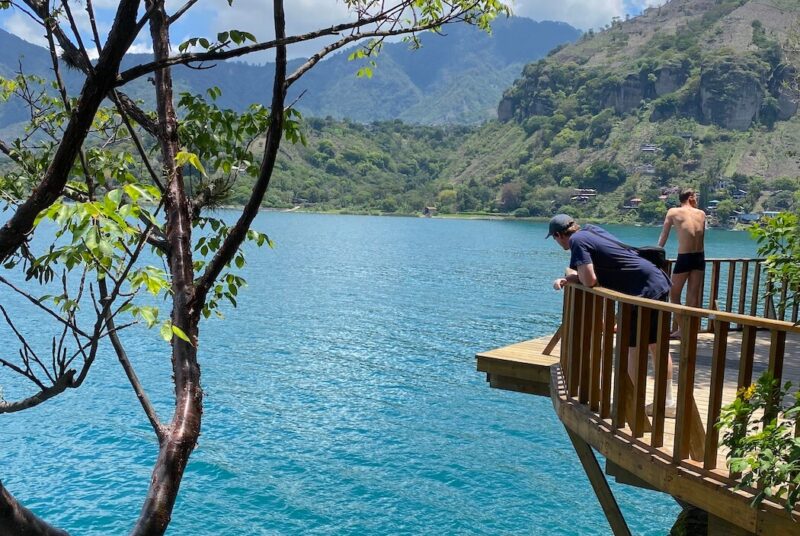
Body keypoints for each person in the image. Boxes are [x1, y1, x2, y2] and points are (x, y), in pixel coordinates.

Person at [547, 214, 676, 417]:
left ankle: (630, 402)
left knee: (633, 348)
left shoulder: (576, 241)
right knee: (656, 345)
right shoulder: (590, 230)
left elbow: (589, 280)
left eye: (554, 239)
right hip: (655, 280)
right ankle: (666, 402)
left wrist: (570, 278)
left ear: (558, 235)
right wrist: (573, 278)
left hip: (641, 290)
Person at [657, 189, 706, 337]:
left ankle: (684, 329)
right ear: (690, 197)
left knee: (673, 294)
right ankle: (690, 330)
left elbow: (664, 234)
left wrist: (656, 251)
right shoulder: (701, 213)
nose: (696, 199)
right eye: (695, 196)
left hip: (684, 257)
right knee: (693, 296)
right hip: (699, 257)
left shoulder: (673, 211)